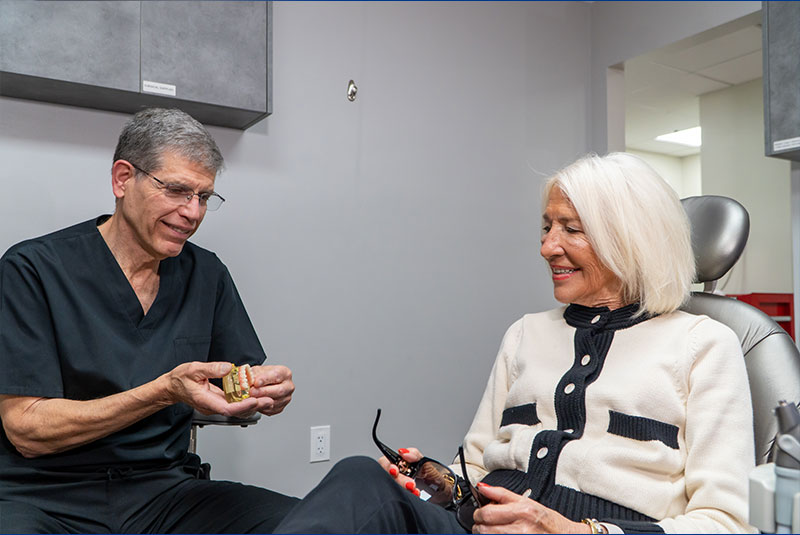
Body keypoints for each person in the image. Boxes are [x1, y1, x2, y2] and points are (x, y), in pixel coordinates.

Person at [274, 152, 755, 534]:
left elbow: (726, 523)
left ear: (628, 240)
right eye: (547, 227)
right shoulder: (525, 332)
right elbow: (479, 465)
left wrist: (574, 531)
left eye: (571, 229)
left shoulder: (704, 345)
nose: (547, 246)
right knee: (363, 478)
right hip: (478, 525)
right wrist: (444, 484)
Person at [0, 108, 299, 533]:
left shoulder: (206, 275)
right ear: (123, 179)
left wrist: (265, 392)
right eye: (177, 190)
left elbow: (230, 386)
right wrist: (162, 392)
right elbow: (26, 429)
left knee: (307, 522)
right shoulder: (31, 269)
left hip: (163, 491)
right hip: (44, 496)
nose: (193, 213)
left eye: (204, 197)